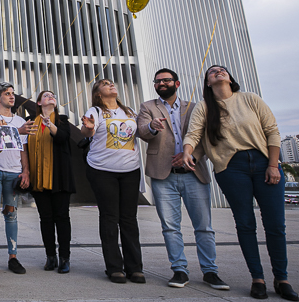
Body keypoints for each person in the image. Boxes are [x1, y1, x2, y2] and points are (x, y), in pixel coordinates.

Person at [183, 65, 297, 302]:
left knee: (276, 225)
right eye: (212, 72)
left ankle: (282, 278)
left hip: (264, 163)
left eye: (221, 70)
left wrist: (274, 165)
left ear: (229, 78)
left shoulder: (250, 99)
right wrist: (187, 152)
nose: (217, 72)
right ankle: (258, 278)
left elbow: (272, 131)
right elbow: (193, 134)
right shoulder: (205, 107)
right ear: (207, 82)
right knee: (245, 224)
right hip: (231, 169)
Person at [136, 69, 229, 290]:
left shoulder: (195, 107)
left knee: (204, 226)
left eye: (166, 80)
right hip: (162, 174)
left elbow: (207, 138)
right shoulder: (148, 107)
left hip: (193, 172)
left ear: (176, 83)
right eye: (157, 81)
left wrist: (192, 156)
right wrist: (152, 127)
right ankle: (179, 270)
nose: (161, 83)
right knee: (170, 226)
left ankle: (210, 271)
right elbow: (141, 131)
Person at [80, 79, 144, 284]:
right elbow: (86, 131)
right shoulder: (95, 110)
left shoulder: (130, 111)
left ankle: (135, 268)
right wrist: (89, 128)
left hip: (130, 170)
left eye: (112, 83)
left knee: (129, 218)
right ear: (98, 93)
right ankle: (114, 267)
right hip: (102, 170)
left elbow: (140, 133)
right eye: (105, 84)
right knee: (109, 217)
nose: (111, 85)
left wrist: (151, 126)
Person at [26, 90, 75, 273]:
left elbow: (63, 138)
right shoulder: (31, 122)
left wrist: (51, 125)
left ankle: (65, 257)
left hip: (59, 177)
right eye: (46, 95)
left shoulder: (62, 120)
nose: (51, 97)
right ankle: (50, 256)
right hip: (38, 178)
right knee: (45, 219)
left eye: (53, 95)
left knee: (62, 217)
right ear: (39, 103)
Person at [0, 83, 32, 275]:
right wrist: (17, 131)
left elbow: (23, 149)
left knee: (12, 215)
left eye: (12, 93)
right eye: (7, 94)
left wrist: (26, 171)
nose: (11, 96)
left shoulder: (20, 120)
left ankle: (13, 257)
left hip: (14, 171)